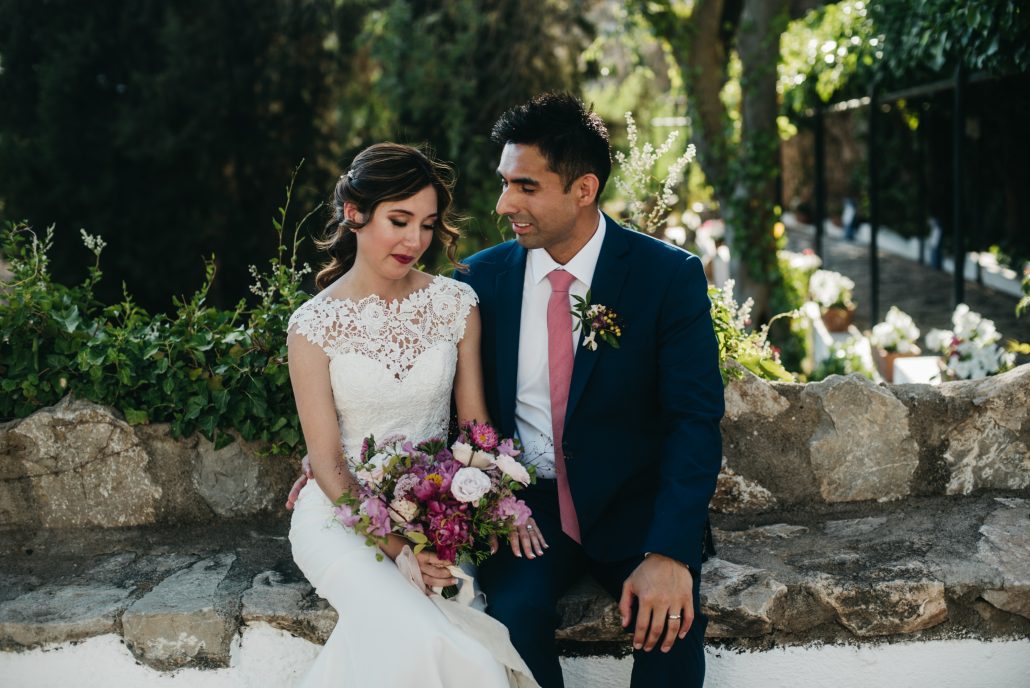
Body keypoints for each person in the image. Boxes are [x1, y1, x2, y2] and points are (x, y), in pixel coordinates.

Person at [454, 92, 724, 688]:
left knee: (671, 626)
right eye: (504, 184)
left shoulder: (666, 277)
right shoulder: (478, 281)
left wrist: (670, 552)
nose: (504, 205)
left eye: (525, 187)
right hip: (528, 511)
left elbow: (694, 421)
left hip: (635, 504)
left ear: (584, 189)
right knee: (512, 620)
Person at [286, 142, 536, 687]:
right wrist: (400, 551)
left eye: (426, 225)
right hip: (338, 520)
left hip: (438, 515)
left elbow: (475, 427)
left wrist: (493, 502)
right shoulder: (312, 327)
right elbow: (328, 467)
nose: (414, 241)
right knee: (431, 640)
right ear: (354, 213)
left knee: (451, 640)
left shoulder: (455, 305)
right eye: (399, 221)